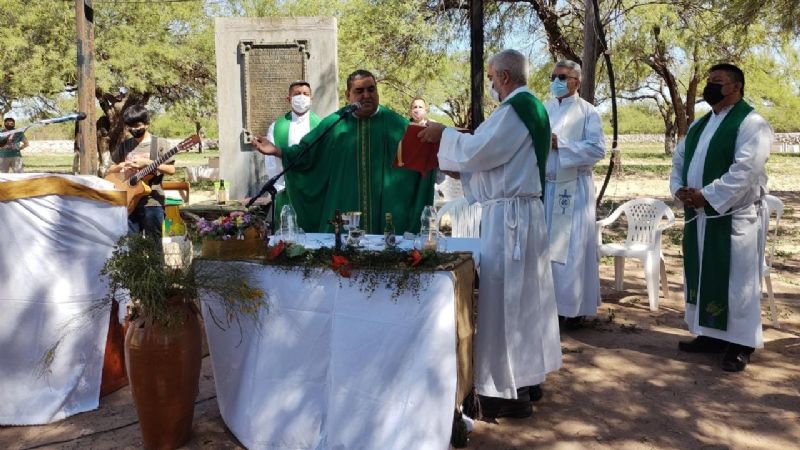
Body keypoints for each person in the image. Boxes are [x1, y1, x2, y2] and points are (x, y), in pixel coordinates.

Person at [419, 49, 561, 418]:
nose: (493, 85)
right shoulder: (533, 108)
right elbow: (500, 161)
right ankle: (527, 379)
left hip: (510, 219)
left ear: (504, 77)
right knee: (526, 297)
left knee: (506, 300)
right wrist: (464, 174)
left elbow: (480, 149)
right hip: (520, 213)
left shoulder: (517, 109)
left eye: (494, 78)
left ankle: (507, 394)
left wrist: (442, 134)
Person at [669, 63, 773, 372]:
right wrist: (679, 190)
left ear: (737, 87)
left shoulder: (752, 123)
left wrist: (707, 195)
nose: (710, 86)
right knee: (703, 275)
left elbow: (745, 170)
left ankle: (741, 343)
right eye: (709, 81)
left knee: (736, 282)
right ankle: (710, 333)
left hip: (734, 219)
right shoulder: (701, 125)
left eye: (718, 81)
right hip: (702, 216)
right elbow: (679, 159)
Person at [253, 70, 435, 235]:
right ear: (348, 95)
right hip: (343, 207)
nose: (366, 95)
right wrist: (277, 150)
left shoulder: (395, 124)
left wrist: (439, 143)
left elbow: (422, 154)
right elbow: (306, 153)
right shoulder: (335, 123)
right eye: (359, 91)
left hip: (384, 212)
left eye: (371, 90)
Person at [543, 60, 606, 329]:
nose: (556, 80)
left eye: (562, 76)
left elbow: (597, 150)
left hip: (574, 189)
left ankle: (572, 308)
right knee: (546, 249)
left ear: (576, 82)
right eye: (553, 76)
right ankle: (547, 306)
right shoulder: (543, 109)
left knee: (571, 250)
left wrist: (562, 144)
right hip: (545, 187)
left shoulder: (588, 112)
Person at [107, 105, 176, 241]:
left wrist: (147, 163)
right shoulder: (125, 145)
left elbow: (171, 170)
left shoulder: (160, 144)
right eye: (130, 126)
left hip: (152, 203)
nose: (133, 130)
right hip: (129, 201)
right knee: (131, 245)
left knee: (154, 245)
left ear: (147, 124)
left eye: (137, 125)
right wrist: (122, 165)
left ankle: (156, 264)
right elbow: (109, 169)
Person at [264, 80, 322, 216]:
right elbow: (272, 161)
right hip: (287, 189)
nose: (302, 97)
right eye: (297, 94)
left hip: (314, 189)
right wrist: (281, 187)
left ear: (311, 99)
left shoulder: (321, 126)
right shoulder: (277, 127)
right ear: (289, 99)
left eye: (305, 94)